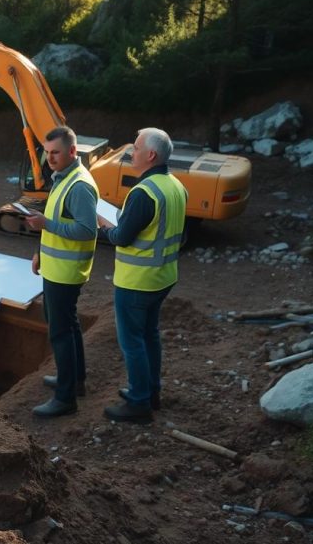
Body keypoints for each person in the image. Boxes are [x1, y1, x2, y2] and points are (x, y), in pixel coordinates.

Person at [98, 127, 187, 424]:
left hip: (137, 281)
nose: (131, 152)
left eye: (135, 148)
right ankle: (151, 392)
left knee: (132, 341)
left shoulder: (143, 192)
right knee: (150, 335)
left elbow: (122, 236)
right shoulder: (175, 185)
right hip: (164, 277)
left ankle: (139, 403)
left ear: (150, 155)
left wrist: (104, 226)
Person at [24, 126, 99, 417]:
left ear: (72, 151)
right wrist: (39, 251)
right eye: (47, 152)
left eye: (55, 152)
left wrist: (47, 226)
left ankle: (65, 398)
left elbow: (86, 229)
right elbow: (54, 219)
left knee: (61, 333)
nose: (49, 158)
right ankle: (75, 380)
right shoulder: (63, 178)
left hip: (66, 272)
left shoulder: (79, 186)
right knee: (69, 326)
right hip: (56, 267)